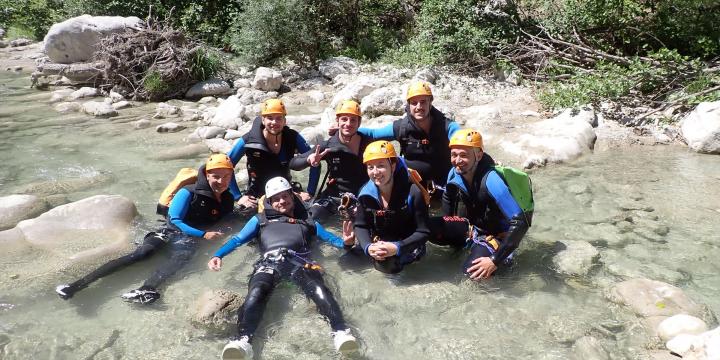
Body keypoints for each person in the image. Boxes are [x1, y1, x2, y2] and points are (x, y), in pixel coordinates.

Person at [208, 177, 358, 359]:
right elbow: (238, 240)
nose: (282, 201)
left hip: (300, 263)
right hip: (269, 263)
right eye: (276, 198)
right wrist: (218, 255)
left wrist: (347, 243)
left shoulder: (308, 222)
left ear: (292, 197)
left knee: (320, 290)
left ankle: (341, 332)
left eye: (285, 196)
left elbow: (333, 241)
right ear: (269, 202)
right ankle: (242, 340)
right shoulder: (259, 220)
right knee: (256, 292)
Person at [55, 154, 236, 304]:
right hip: (170, 231)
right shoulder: (188, 192)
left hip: (190, 239)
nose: (222, 181)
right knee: (143, 254)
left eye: (227, 176)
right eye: (216, 176)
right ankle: (76, 285)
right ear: (206, 175)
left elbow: (226, 219)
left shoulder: (227, 198)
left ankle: (146, 289)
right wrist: (203, 234)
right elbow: (174, 219)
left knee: (180, 260)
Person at [442, 129, 531, 280]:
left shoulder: (492, 180)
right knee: (428, 228)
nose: (457, 160)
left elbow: (521, 221)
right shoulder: (455, 172)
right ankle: (462, 248)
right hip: (473, 229)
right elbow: (448, 197)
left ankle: (503, 259)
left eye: (464, 155)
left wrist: (494, 261)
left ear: (478, 155)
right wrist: (450, 229)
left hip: (497, 236)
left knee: (470, 274)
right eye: (454, 155)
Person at [353, 80, 460, 192]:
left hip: (445, 185)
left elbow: (461, 142)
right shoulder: (402, 128)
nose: (419, 106)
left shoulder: (447, 126)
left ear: (430, 102)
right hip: (414, 186)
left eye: (423, 102)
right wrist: (346, 128)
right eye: (414, 103)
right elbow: (373, 134)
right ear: (409, 105)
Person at [227, 98, 319, 212]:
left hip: (285, 190)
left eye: (279, 118)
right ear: (263, 120)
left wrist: (310, 192)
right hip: (257, 192)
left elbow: (315, 161)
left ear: (284, 121)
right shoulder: (249, 140)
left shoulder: (292, 137)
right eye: (270, 118)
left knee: (309, 213)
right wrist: (238, 197)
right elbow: (226, 165)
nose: (274, 123)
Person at [353, 141, 431, 274]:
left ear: (393, 166)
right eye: (370, 167)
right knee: (347, 262)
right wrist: (368, 247)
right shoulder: (365, 193)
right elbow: (361, 225)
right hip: (380, 243)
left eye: (381, 166)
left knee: (390, 266)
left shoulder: (412, 192)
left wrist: (397, 247)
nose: (375, 172)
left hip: (407, 245)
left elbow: (423, 232)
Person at [289, 99, 372, 223]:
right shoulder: (328, 145)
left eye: (353, 120)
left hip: (362, 196)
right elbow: (293, 163)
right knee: (311, 219)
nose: (348, 124)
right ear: (337, 121)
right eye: (344, 119)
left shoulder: (369, 144)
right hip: (334, 196)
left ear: (359, 123)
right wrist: (309, 160)